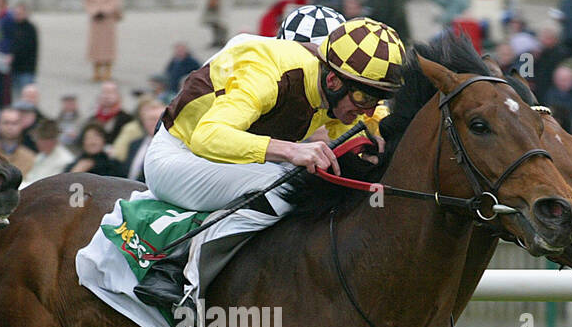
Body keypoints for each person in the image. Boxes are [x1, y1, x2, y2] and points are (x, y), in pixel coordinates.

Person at [134, 17, 403, 307]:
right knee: (286, 183)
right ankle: (177, 270)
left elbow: (375, 126)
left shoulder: (339, 90)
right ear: (333, 80)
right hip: (178, 155)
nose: (367, 109)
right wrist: (290, 150)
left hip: (219, 161)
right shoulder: (269, 71)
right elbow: (207, 136)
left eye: (378, 99)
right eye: (363, 97)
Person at [84, 0, 123, 82]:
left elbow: (116, 2)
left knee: (108, 46)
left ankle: (107, 71)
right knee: (95, 46)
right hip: (96, 20)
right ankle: (96, 71)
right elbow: (87, 2)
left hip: (108, 20)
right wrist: (94, 11)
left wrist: (105, 11)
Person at [21, 118, 74, 186]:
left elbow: (48, 184)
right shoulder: (41, 155)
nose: (37, 142)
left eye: (40, 140)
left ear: (50, 141)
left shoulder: (65, 160)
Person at [0, 106, 35, 172]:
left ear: (21, 126)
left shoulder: (30, 158)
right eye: (6, 123)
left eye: (14, 123)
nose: (10, 127)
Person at [8, 1, 38, 99]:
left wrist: (13, 56)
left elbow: (25, 48)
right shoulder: (13, 27)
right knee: (15, 98)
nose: (17, 15)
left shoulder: (30, 29)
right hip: (14, 70)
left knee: (27, 98)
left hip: (26, 70)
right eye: (16, 13)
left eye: (20, 13)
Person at [88, 80, 132, 145]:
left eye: (110, 92)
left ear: (119, 96)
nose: (106, 96)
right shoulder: (92, 118)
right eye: (104, 92)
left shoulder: (127, 119)